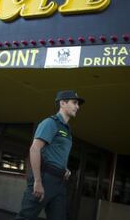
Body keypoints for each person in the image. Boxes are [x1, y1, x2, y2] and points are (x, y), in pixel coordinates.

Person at [16, 90, 85, 220]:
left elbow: (55, 154)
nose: (77, 107)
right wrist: (37, 181)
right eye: (74, 103)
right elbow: (35, 149)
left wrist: (64, 168)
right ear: (62, 103)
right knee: (26, 217)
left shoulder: (66, 129)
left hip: (59, 182)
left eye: (78, 104)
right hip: (44, 178)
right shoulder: (50, 123)